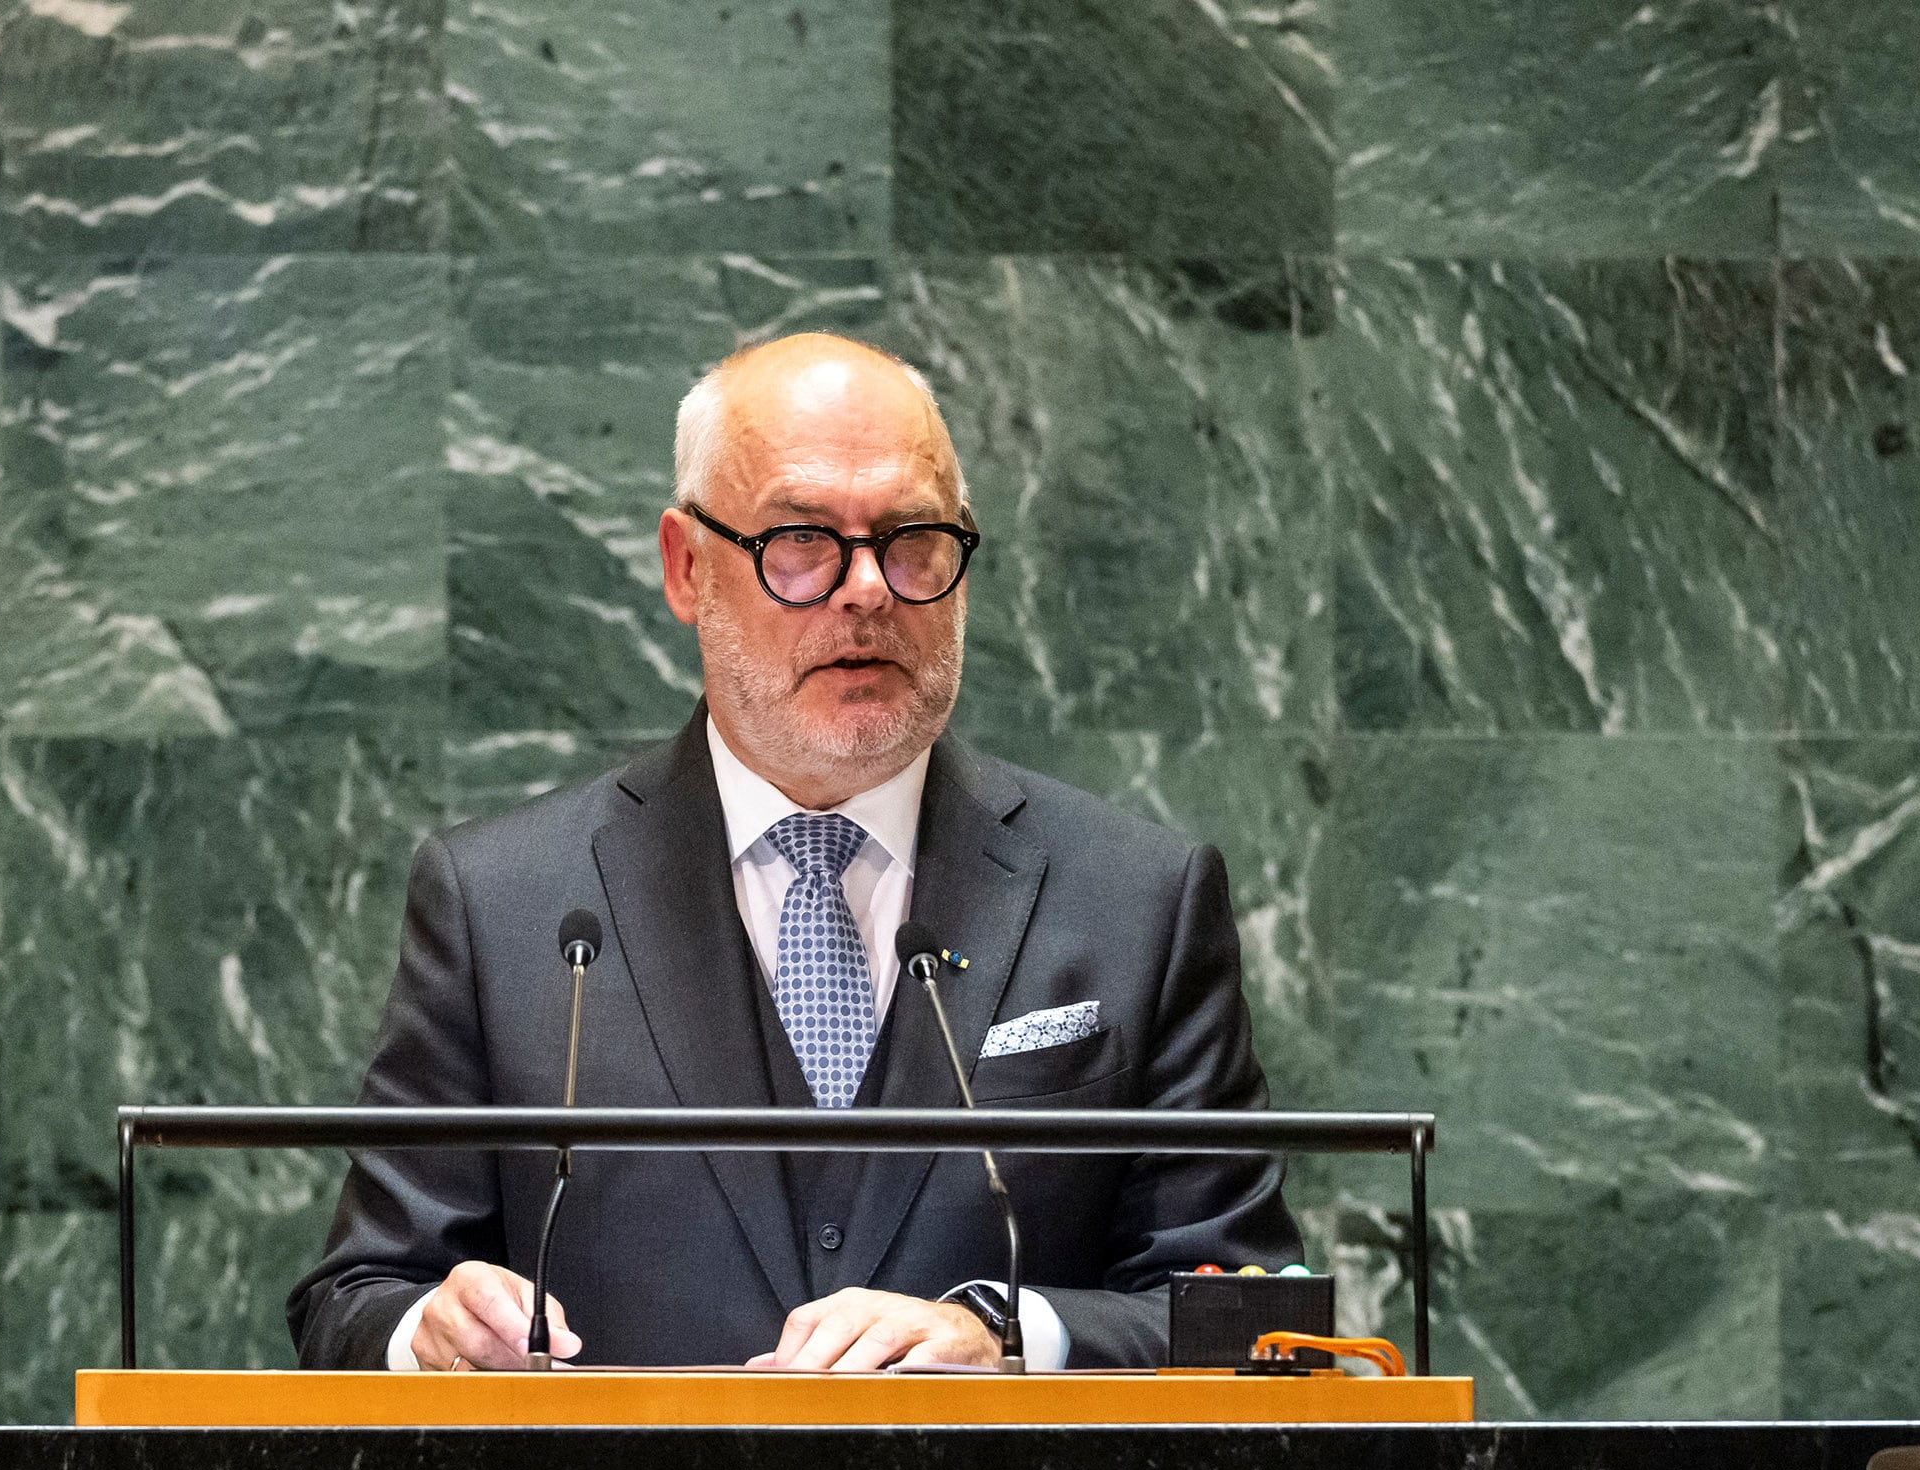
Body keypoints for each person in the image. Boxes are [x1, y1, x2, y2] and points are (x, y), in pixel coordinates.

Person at [287, 333, 1300, 1372]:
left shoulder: (1138, 900)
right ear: (686, 568)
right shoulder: (498, 906)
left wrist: (1011, 1335)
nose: (866, 589)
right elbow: (357, 1299)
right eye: (802, 540)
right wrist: (433, 1332)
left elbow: (1250, 1325)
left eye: (909, 538)